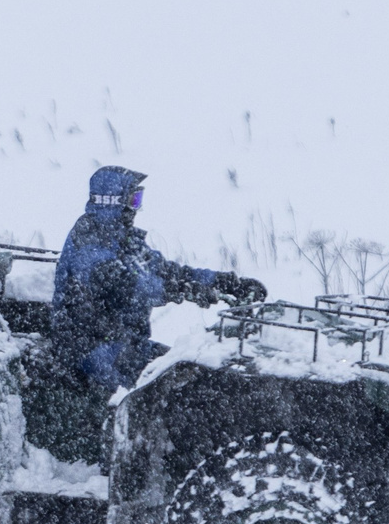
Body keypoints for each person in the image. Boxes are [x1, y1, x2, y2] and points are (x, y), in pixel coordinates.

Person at [49, 165, 265, 391]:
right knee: (146, 398)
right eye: (133, 199)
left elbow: (166, 270)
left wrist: (222, 282)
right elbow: (129, 286)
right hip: (90, 351)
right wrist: (182, 290)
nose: (136, 207)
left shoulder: (126, 240)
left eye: (137, 199)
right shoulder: (87, 241)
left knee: (192, 375)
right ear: (113, 200)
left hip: (128, 346)